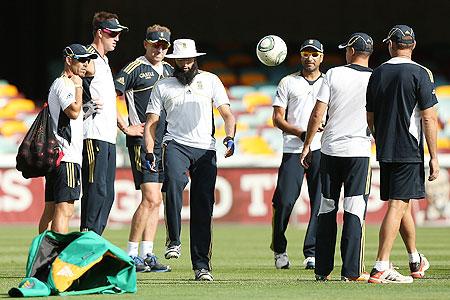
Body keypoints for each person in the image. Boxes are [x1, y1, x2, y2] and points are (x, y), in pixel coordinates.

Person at [144, 39, 236, 281]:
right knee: (173, 182)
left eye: (189, 60)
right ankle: (173, 240)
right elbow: (152, 122)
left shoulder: (211, 80)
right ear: (174, 61)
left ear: (195, 60)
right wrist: (149, 151)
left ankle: (202, 266)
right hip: (176, 144)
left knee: (203, 206)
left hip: (205, 148)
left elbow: (227, 113)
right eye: (180, 60)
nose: (185, 64)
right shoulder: (163, 86)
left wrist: (229, 136)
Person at [366, 25, 438, 284]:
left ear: (390, 45)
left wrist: (381, 138)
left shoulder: (378, 73)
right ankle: (380, 266)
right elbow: (429, 118)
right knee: (398, 205)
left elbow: (370, 117)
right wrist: (435, 157)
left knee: (401, 202)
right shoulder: (421, 73)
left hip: (386, 148)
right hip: (409, 149)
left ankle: (414, 260)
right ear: (413, 45)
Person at [300, 33, 374, 282]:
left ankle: (321, 271)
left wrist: (308, 144)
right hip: (359, 152)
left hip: (331, 150)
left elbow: (317, 113)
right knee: (354, 209)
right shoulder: (376, 78)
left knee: (327, 208)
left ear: (351, 51)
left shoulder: (333, 74)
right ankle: (351, 272)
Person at [115, 24, 173, 272]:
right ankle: (131, 254)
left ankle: (148, 253)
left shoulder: (171, 69)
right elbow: (110, 96)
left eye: (164, 45)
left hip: (165, 142)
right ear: (145, 44)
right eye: (155, 44)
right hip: (142, 141)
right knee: (150, 197)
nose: (159, 49)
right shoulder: (134, 68)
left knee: (156, 200)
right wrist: (124, 126)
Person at [270, 39, 325, 270]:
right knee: (284, 200)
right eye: (305, 53)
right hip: (293, 148)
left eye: (314, 54)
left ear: (321, 57)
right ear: (300, 56)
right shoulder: (288, 82)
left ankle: (311, 252)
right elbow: (277, 119)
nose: (309, 58)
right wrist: (302, 133)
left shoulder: (329, 82)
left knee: (320, 201)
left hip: (322, 148)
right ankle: (279, 247)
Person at [39, 44, 97, 234]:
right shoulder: (66, 83)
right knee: (65, 210)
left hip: (58, 156)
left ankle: (43, 259)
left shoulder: (60, 84)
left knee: (50, 210)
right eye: (81, 59)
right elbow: (73, 112)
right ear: (68, 59)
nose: (85, 64)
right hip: (67, 157)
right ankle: (56, 258)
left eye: (87, 60)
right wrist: (79, 87)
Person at [80, 11, 128, 235]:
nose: (116, 38)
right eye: (112, 33)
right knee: (95, 191)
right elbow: (68, 85)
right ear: (100, 33)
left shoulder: (104, 61)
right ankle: (85, 243)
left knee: (107, 194)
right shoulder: (86, 58)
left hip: (107, 135)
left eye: (118, 34)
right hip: (93, 134)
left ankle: (94, 242)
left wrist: (124, 126)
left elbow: (108, 101)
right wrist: (86, 107)